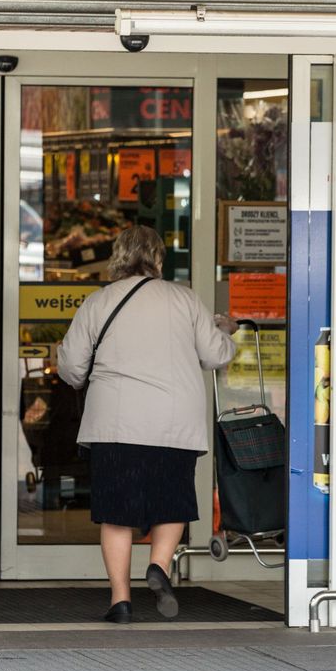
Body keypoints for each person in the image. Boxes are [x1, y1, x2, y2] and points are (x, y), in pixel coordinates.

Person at [58, 225, 237, 623]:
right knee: (171, 503)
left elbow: (71, 368)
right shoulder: (184, 299)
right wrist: (226, 331)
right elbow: (215, 355)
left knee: (116, 514)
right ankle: (159, 564)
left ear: (118, 256)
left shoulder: (98, 303)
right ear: (158, 259)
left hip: (115, 424)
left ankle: (120, 601)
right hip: (174, 422)